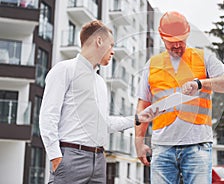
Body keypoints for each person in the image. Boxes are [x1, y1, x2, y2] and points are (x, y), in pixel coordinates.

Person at [39, 20, 158, 183]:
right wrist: (55, 157)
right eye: (111, 45)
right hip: (70, 158)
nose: (113, 52)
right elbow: (48, 116)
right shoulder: (64, 70)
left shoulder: (100, 82)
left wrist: (137, 119)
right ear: (99, 41)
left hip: (99, 161)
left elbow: (103, 123)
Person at [134, 11, 224, 184]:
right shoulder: (152, 65)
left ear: (188, 33)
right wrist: (139, 142)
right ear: (162, 37)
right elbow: (142, 106)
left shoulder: (204, 58)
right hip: (162, 147)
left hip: (197, 146)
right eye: (171, 42)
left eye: (180, 40)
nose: (176, 45)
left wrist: (201, 84)